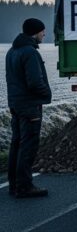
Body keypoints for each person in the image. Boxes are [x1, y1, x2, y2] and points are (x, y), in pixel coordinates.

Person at [6, 18, 52, 198]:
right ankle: (25, 186)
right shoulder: (30, 52)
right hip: (30, 105)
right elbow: (34, 82)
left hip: (16, 104)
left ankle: (14, 184)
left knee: (16, 144)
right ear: (35, 32)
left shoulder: (12, 51)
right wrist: (46, 92)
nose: (44, 34)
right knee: (29, 145)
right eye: (42, 31)